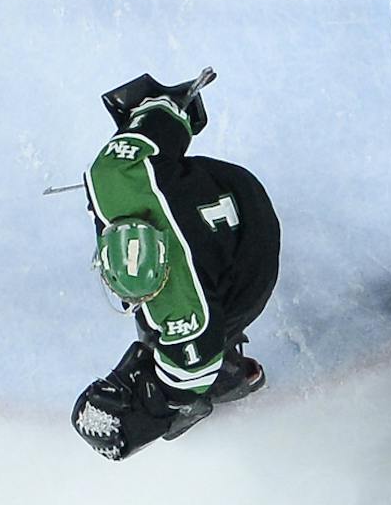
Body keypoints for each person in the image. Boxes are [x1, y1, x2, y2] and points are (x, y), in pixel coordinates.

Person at [72, 68, 281, 459]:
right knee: (174, 321)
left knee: (183, 344)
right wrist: (165, 105)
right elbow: (158, 121)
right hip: (234, 187)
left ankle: (228, 371)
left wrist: (157, 405)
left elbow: (186, 377)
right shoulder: (113, 176)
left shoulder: (181, 306)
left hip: (254, 261)